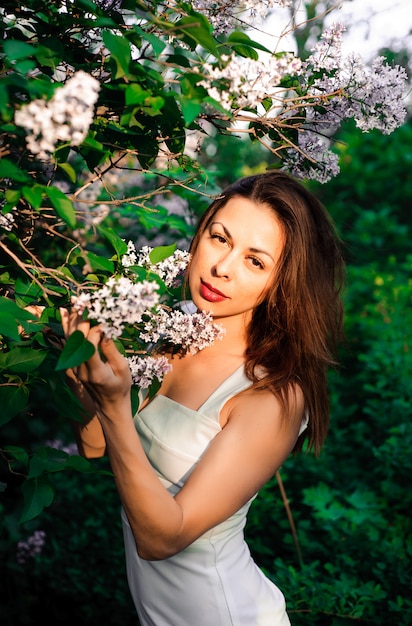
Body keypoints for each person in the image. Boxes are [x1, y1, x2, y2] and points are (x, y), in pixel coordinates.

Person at [61, 170, 345, 626]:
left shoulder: (271, 395)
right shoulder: (176, 330)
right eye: (219, 238)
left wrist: (115, 405)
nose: (222, 267)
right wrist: (82, 375)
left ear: (282, 282)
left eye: (256, 262)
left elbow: (160, 539)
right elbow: (95, 445)